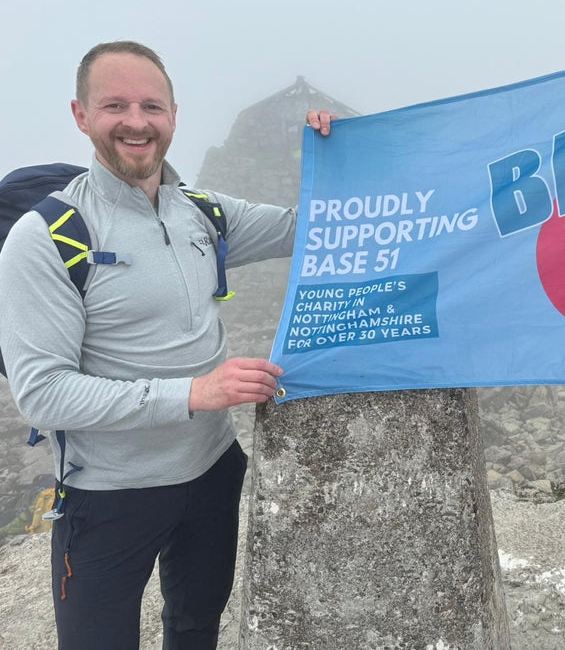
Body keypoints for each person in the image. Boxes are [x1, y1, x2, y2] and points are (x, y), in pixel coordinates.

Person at [0, 41, 325, 650]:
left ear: (173, 114)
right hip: (107, 496)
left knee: (196, 629)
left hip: (211, 472)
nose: (136, 121)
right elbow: (42, 395)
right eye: (114, 104)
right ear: (81, 115)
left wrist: (340, 154)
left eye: (151, 105)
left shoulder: (201, 212)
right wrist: (197, 393)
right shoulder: (45, 237)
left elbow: (312, 226)